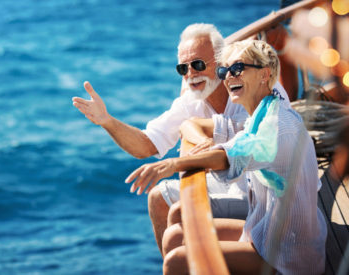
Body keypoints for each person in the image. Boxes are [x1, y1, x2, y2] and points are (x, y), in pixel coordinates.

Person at [72, 23, 290, 255]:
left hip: (266, 196)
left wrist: (185, 159)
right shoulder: (191, 102)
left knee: (179, 226)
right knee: (159, 198)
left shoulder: (255, 89)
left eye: (197, 65)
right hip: (229, 187)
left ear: (221, 63)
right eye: (182, 69)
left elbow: (251, 145)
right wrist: (107, 121)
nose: (190, 75)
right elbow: (147, 143)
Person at [125, 39, 327, 274]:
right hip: (265, 229)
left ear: (265, 74)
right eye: (224, 70)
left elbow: (230, 157)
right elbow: (203, 128)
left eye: (238, 69)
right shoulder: (259, 114)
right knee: (174, 236)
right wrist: (203, 143)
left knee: (176, 260)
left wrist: (172, 164)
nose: (228, 77)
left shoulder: (278, 127)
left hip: (289, 253)